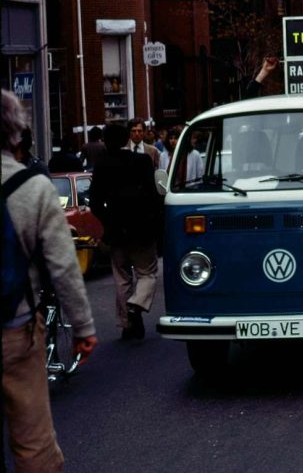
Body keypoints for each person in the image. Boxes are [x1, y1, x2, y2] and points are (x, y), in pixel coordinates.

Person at [2, 89, 97, 471]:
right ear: (16, 135)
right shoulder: (33, 188)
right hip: (15, 330)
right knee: (33, 445)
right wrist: (84, 328)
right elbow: (63, 267)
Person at [90, 123, 162, 340]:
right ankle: (137, 303)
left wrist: (107, 220)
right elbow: (154, 194)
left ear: (105, 140)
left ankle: (127, 322)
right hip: (142, 227)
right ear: (126, 139)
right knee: (147, 272)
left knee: (121, 277)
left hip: (116, 228)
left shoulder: (101, 164)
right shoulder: (142, 161)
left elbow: (95, 202)